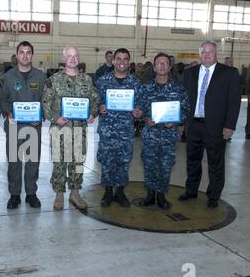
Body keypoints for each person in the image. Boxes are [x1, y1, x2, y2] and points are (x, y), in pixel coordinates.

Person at [178, 41, 241, 208]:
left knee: (215, 163)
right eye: (204, 52)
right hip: (194, 125)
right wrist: (181, 122)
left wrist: (229, 126)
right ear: (200, 54)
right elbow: (184, 101)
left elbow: (234, 102)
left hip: (216, 126)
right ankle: (191, 190)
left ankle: (213, 195)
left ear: (216, 54)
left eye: (210, 52)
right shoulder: (189, 73)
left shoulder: (229, 73)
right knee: (192, 161)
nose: (207, 55)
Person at [43, 46, 98, 211]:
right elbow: (45, 103)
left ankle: (75, 192)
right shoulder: (54, 80)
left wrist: (93, 114)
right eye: (69, 56)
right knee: (59, 162)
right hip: (60, 129)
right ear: (64, 58)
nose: (73, 59)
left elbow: (94, 99)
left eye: (75, 56)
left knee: (78, 162)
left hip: (79, 130)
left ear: (79, 58)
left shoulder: (87, 80)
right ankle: (59, 193)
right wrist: (55, 117)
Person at [139, 52, 189, 210]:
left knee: (165, 166)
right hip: (150, 135)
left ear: (170, 67)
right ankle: (150, 194)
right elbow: (138, 110)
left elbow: (186, 110)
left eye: (165, 63)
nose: (161, 66)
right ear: (154, 67)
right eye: (158, 63)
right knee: (149, 165)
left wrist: (176, 121)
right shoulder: (145, 88)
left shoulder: (178, 89)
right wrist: (145, 119)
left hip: (168, 136)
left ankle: (161, 195)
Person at [0, 41, 46, 209]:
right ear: (17, 55)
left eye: (28, 52)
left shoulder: (40, 77)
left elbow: (45, 100)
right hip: (14, 126)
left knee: (33, 161)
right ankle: (14, 195)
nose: (25, 55)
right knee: (14, 161)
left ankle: (31, 194)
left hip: (34, 127)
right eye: (22, 52)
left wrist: (41, 115)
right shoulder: (8, 77)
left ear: (32, 55)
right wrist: (8, 112)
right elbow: (2, 100)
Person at [95, 48, 143, 207]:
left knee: (123, 162)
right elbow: (94, 102)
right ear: (113, 61)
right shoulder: (103, 81)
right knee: (107, 161)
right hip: (107, 131)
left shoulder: (135, 83)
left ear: (129, 62)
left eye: (125, 59)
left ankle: (120, 192)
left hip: (126, 132)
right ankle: (108, 192)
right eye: (119, 58)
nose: (122, 62)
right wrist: (99, 108)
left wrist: (138, 112)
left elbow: (140, 105)